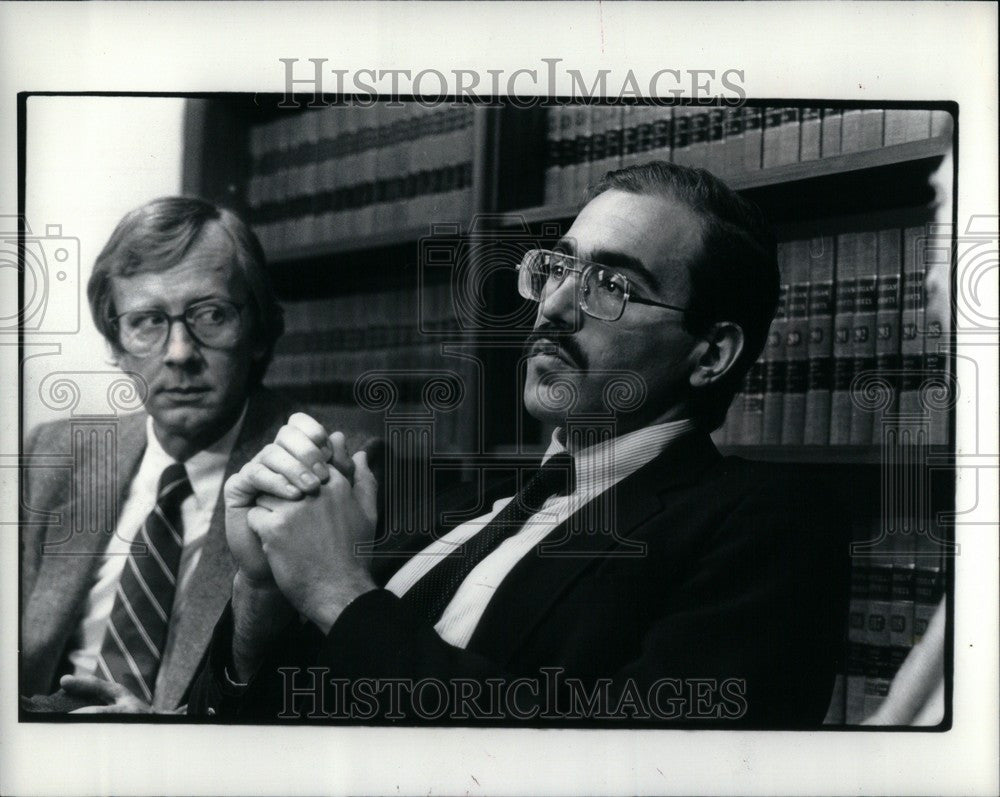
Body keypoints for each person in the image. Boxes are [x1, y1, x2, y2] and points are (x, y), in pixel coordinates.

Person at [190, 162, 850, 726]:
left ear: (710, 354)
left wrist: (337, 591)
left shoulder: (769, 523)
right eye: (557, 268)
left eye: (610, 286)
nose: (554, 308)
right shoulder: (455, 504)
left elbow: (636, 767)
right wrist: (265, 590)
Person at [20, 196, 296, 713]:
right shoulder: (52, 455)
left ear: (257, 332)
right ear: (118, 345)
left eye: (211, 314)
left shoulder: (311, 472)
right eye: (147, 321)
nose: (179, 353)